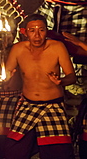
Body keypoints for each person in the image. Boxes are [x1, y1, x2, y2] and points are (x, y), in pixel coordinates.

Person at [4, 14, 76, 159]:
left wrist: (61, 82)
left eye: (41, 30)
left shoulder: (57, 47)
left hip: (53, 106)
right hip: (28, 105)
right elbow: (4, 76)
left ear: (46, 31)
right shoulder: (18, 49)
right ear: (25, 32)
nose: (37, 35)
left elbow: (72, 76)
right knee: (14, 151)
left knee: (58, 153)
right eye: (32, 30)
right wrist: (7, 78)